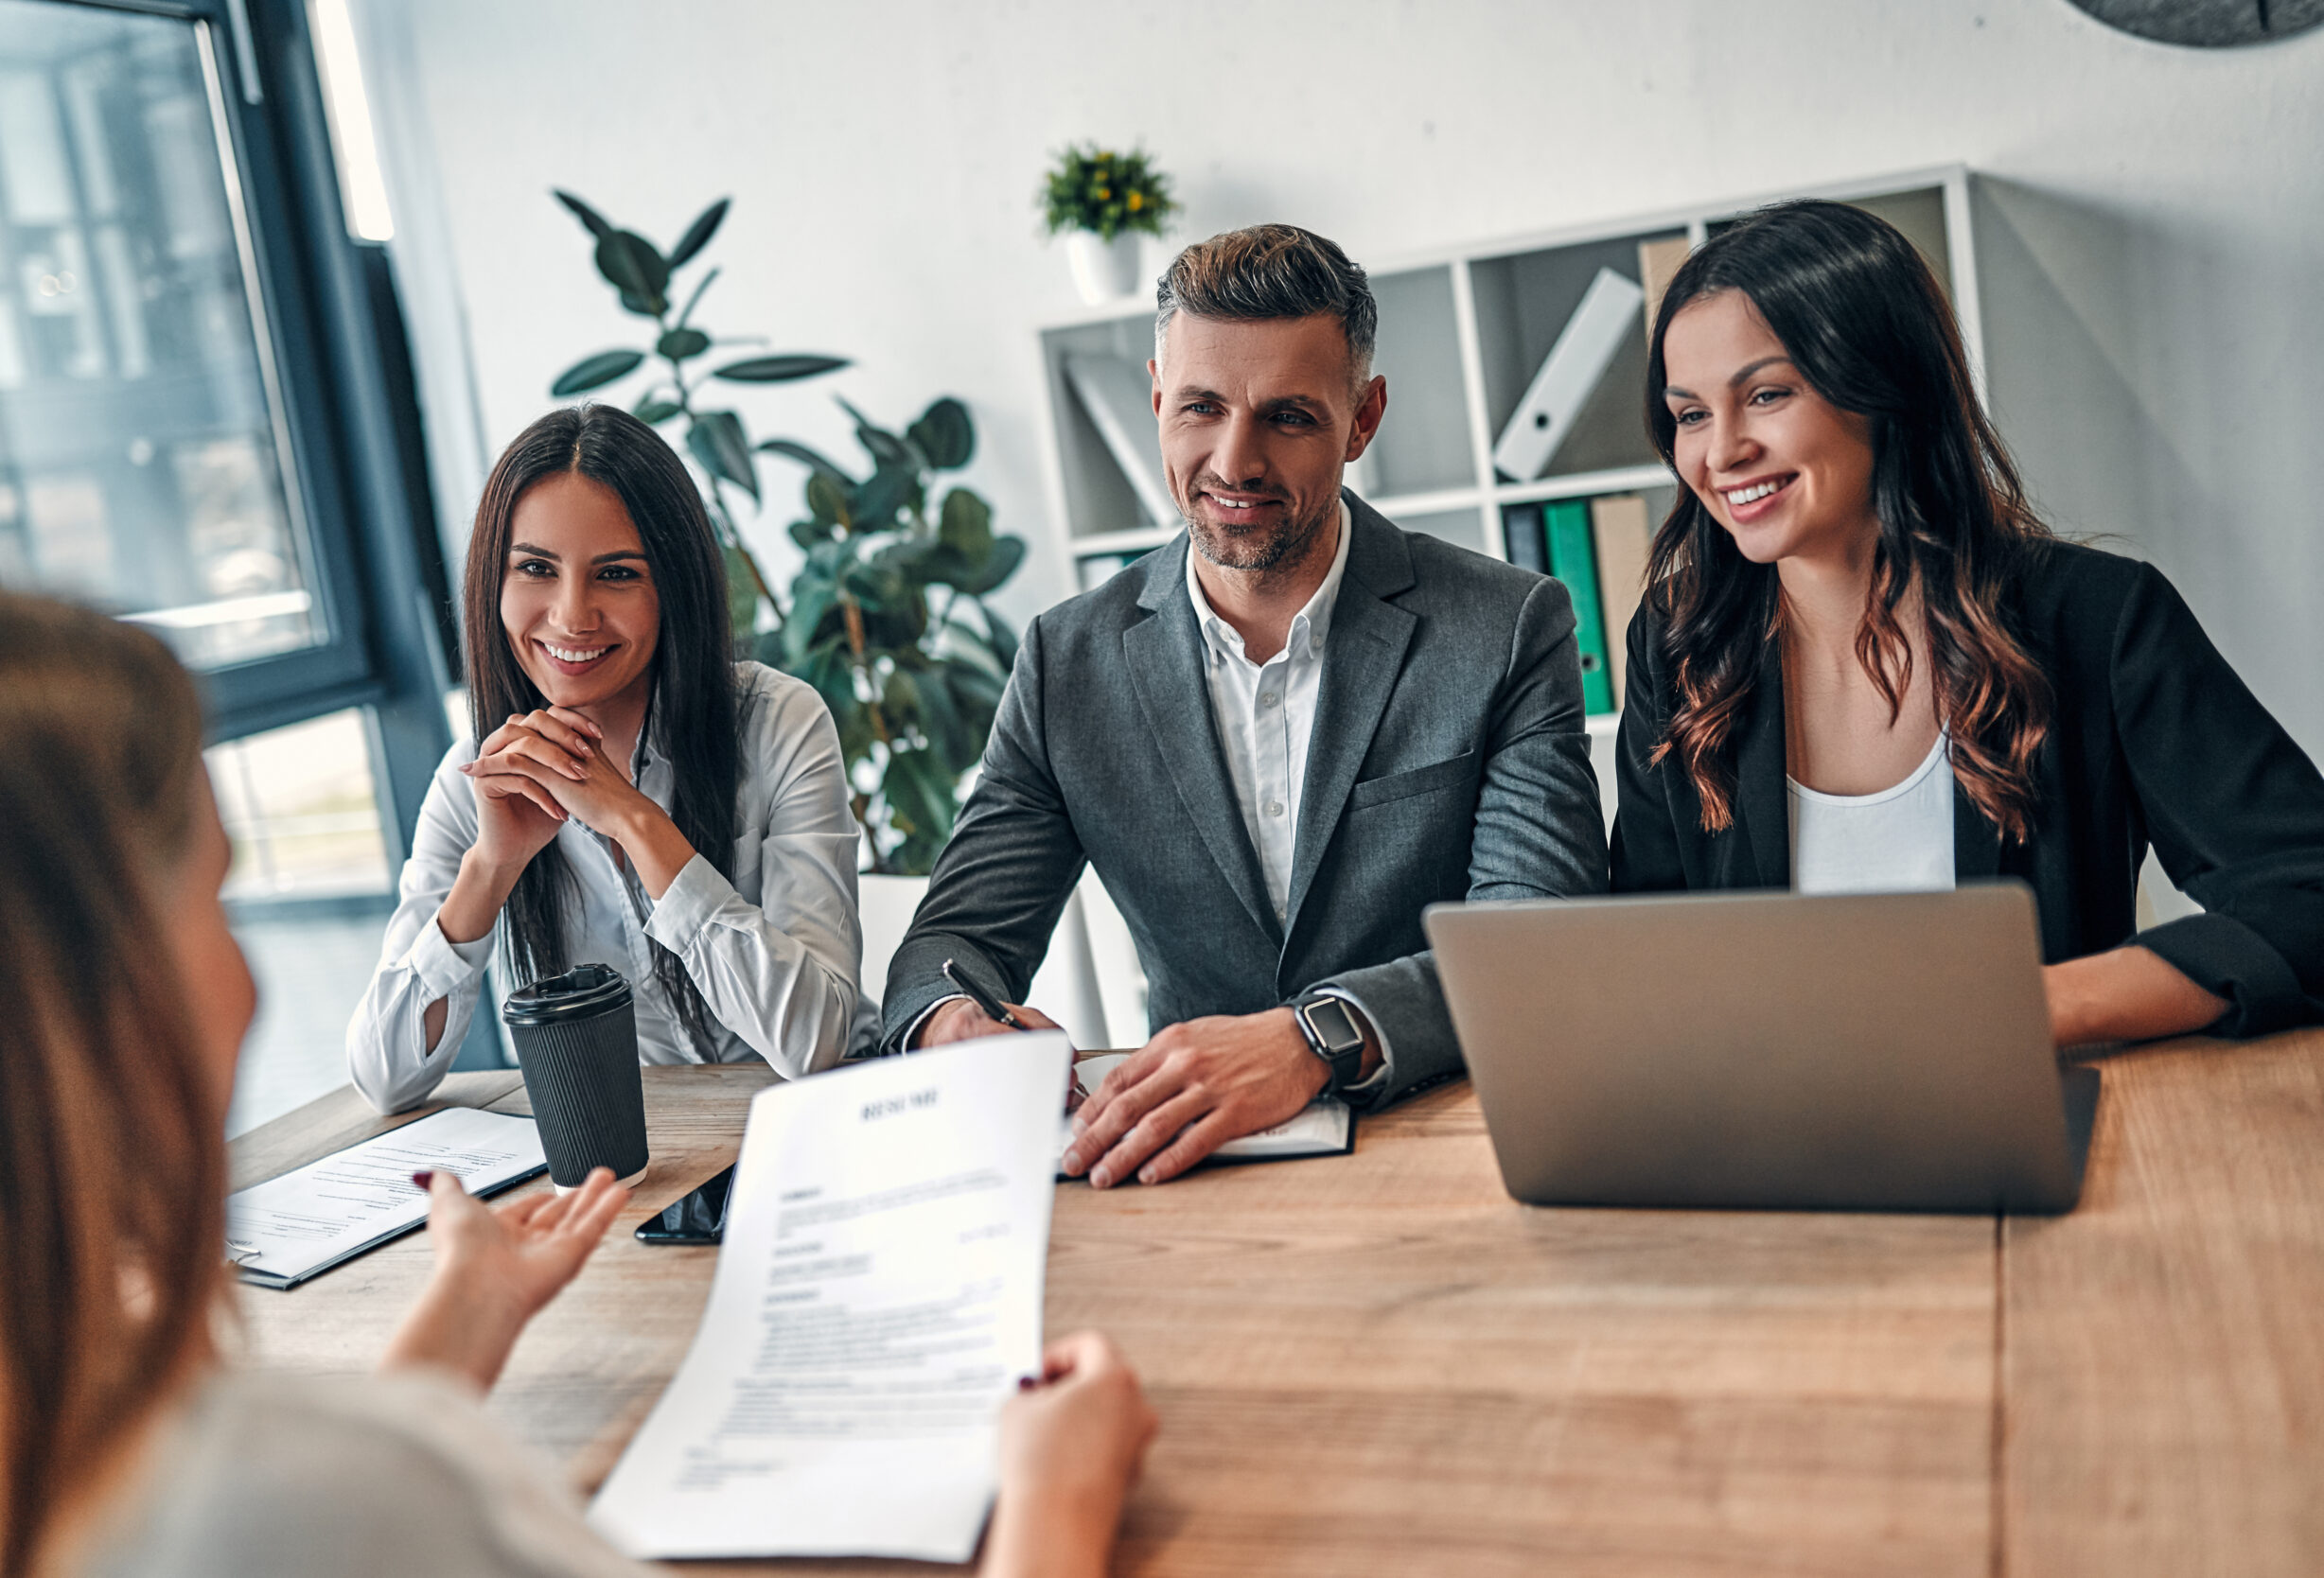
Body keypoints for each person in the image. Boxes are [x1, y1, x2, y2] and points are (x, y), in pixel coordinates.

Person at [0, 579, 1156, 1578]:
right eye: (215, 895)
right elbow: (299, 1509)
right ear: (93, 978)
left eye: (615, 574)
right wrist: (1055, 1502)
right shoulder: (267, 1490)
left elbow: (305, 1521)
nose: (572, 614)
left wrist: (458, 1329)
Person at [885, 223, 1608, 1186]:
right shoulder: (1069, 660)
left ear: (1363, 418)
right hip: (1188, 1172)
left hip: (1455, 1149)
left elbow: (1536, 949)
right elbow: (951, 943)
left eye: (1289, 418)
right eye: (1200, 407)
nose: (1234, 462)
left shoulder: (1506, 627)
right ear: (1155, 399)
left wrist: (1317, 1038)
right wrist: (949, 1022)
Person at [1612, 199, 2324, 1043]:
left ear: (1884, 389)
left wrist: (2036, 1008)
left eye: (1766, 394)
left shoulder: (2096, 619)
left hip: (2030, 1125)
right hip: (1773, 1140)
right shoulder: (1680, 643)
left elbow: (2304, 892)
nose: (1721, 451)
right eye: (1690, 413)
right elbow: (1635, 949)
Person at [347, 405, 877, 1114]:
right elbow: (384, 1077)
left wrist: (633, 819)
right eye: (535, 568)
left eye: (617, 574)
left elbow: (815, 1042)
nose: (571, 616)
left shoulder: (777, 722)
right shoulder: (474, 780)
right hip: (644, 1166)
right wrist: (491, 867)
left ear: (674, 585)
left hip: (828, 1130)